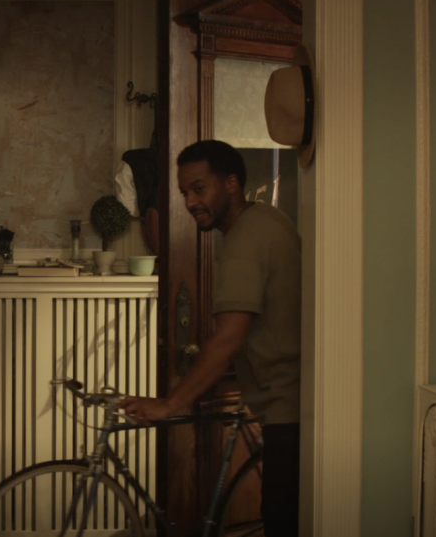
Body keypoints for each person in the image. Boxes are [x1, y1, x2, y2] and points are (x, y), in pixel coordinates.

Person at [118, 140, 301, 537]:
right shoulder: (263, 219)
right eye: (185, 191)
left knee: (282, 521)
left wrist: (169, 404)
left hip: (288, 409)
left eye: (199, 189)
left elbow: (228, 337)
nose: (190, 202)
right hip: (285, 400)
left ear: (231, 184)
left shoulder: (245, 243)